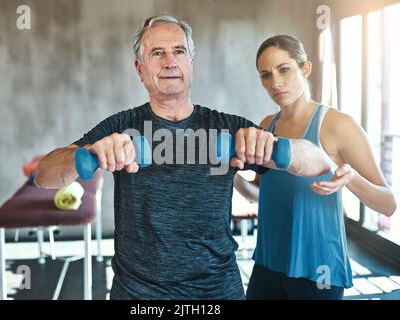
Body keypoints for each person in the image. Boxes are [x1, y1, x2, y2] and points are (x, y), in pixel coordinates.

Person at [35, 16, 335, 300]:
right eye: (157, 53)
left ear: (190, 62)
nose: (169, 61)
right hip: (139, 294)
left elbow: (318, 162)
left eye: (179, 51)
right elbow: (45, 176)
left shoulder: (229, 127)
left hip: (217, 291)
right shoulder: (120, 127)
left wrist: (272, 146)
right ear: (140, 69)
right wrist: (87, 154)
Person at [235, 35, 397, 300]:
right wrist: (228, 175)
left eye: (284, 69)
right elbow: (256, 194)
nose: (275, 82)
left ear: (305, 68)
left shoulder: (338, 125)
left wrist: (349, 177)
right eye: (266, 75)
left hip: (317, 269)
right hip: (268, 263)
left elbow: (388, 204)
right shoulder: (266, 126)